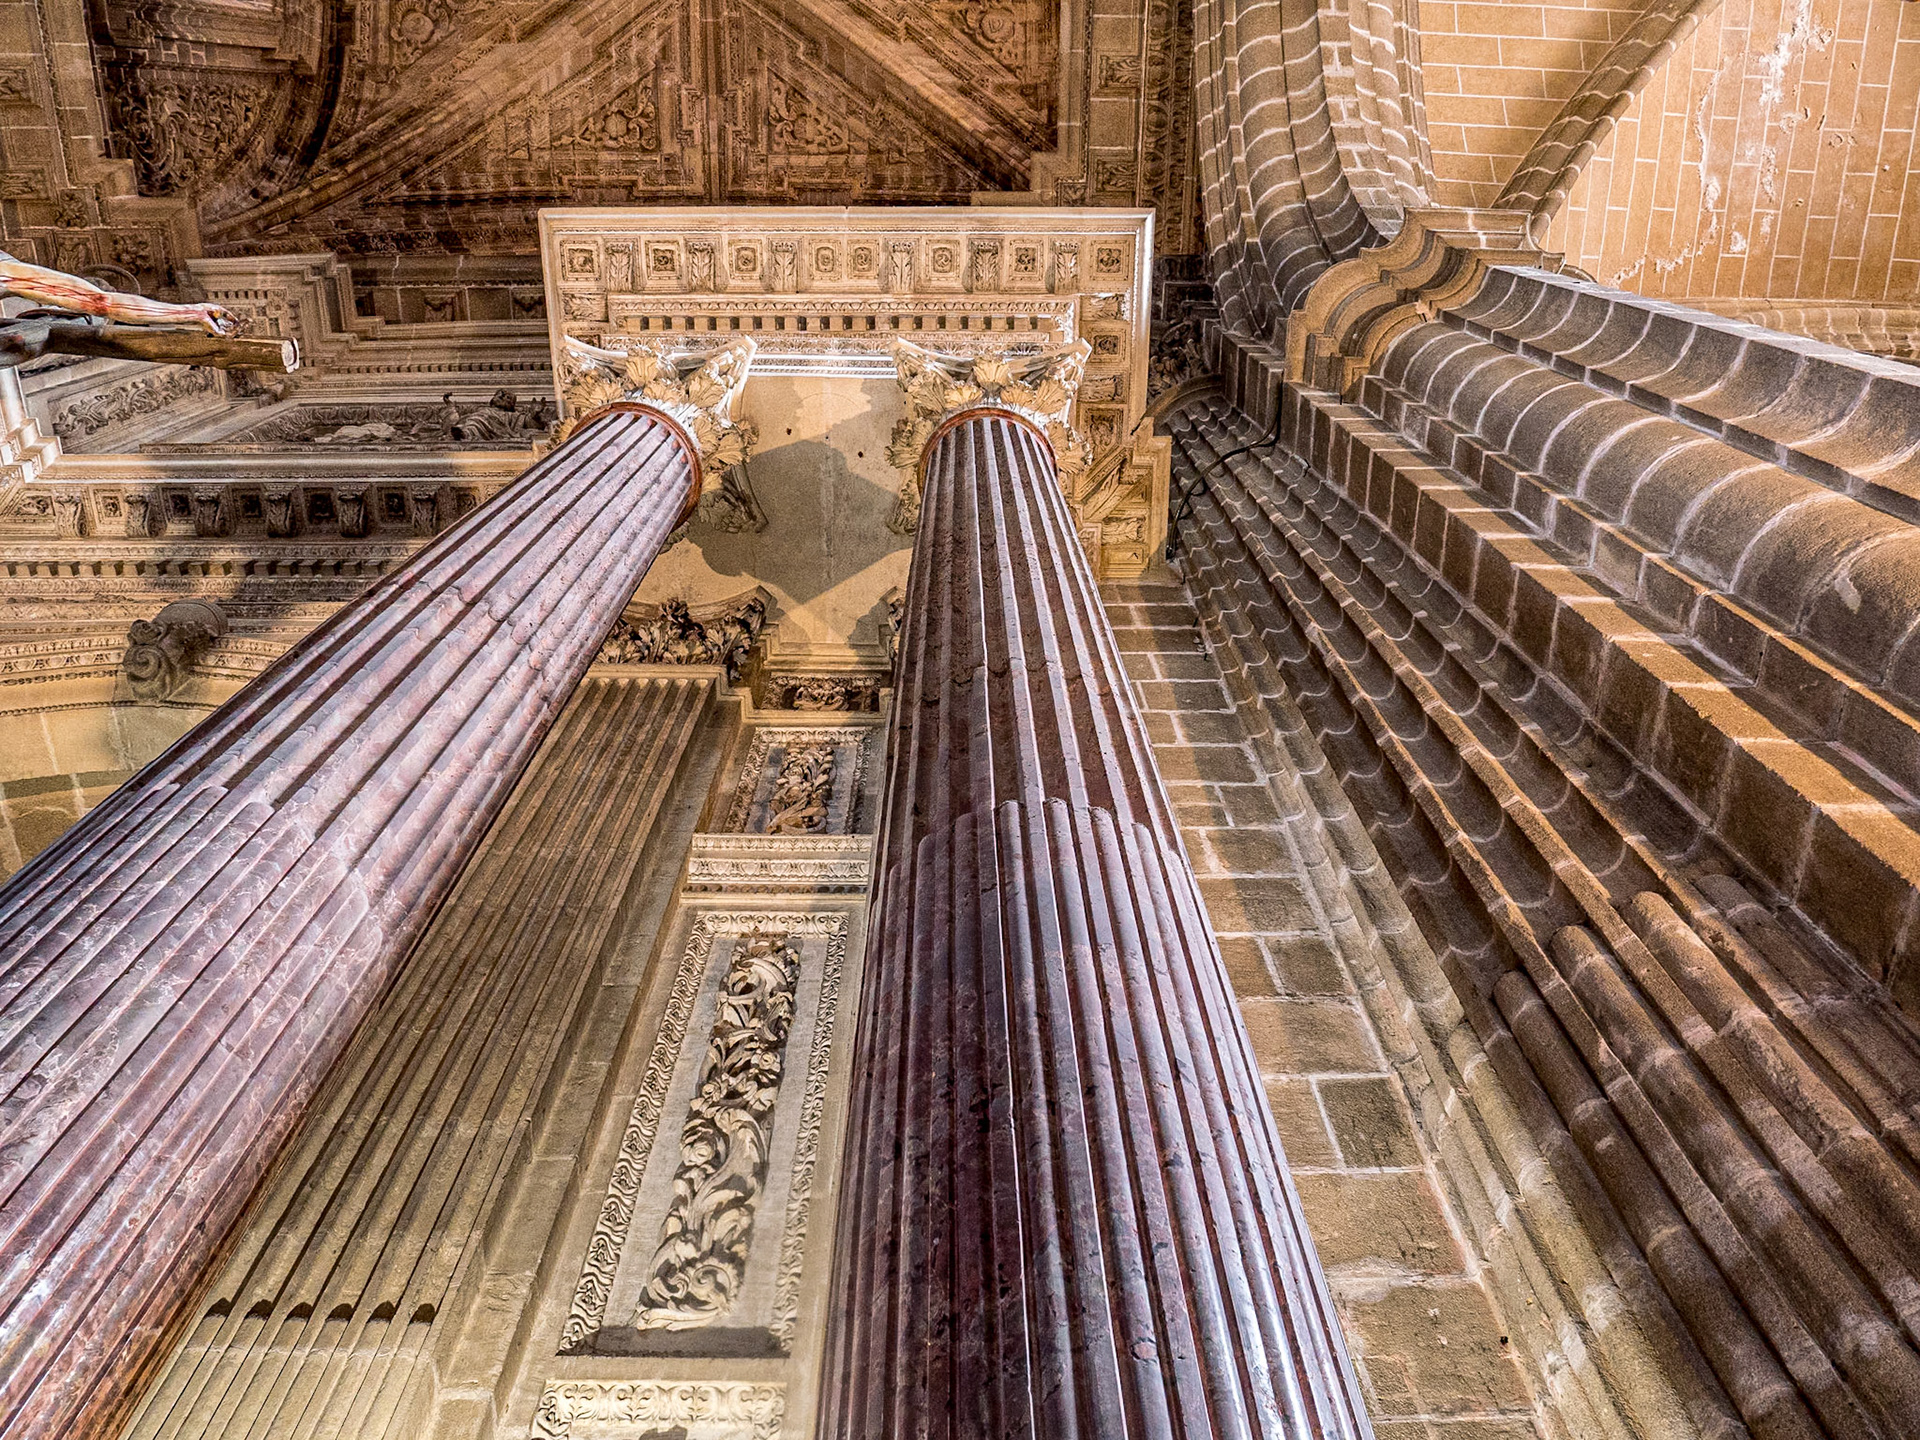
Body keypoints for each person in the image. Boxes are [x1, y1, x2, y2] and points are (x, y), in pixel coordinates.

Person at [0, 251, 238, 334]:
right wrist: (190, 313)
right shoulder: (7, 271)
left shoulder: (7, 271)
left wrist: (190, 313)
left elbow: (101, 302)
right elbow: (102, 302)